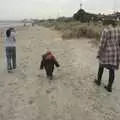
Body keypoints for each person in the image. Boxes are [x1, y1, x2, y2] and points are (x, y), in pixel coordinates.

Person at [94, 20, 120, 92]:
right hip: (115, 52)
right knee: (112, 70)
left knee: (101, 66)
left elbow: (102, 44)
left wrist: (99, 53)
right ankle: (109, 87)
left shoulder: (106, 30)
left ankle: (98, 81)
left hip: (106, 52)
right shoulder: (118, 29)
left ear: (107, 23)